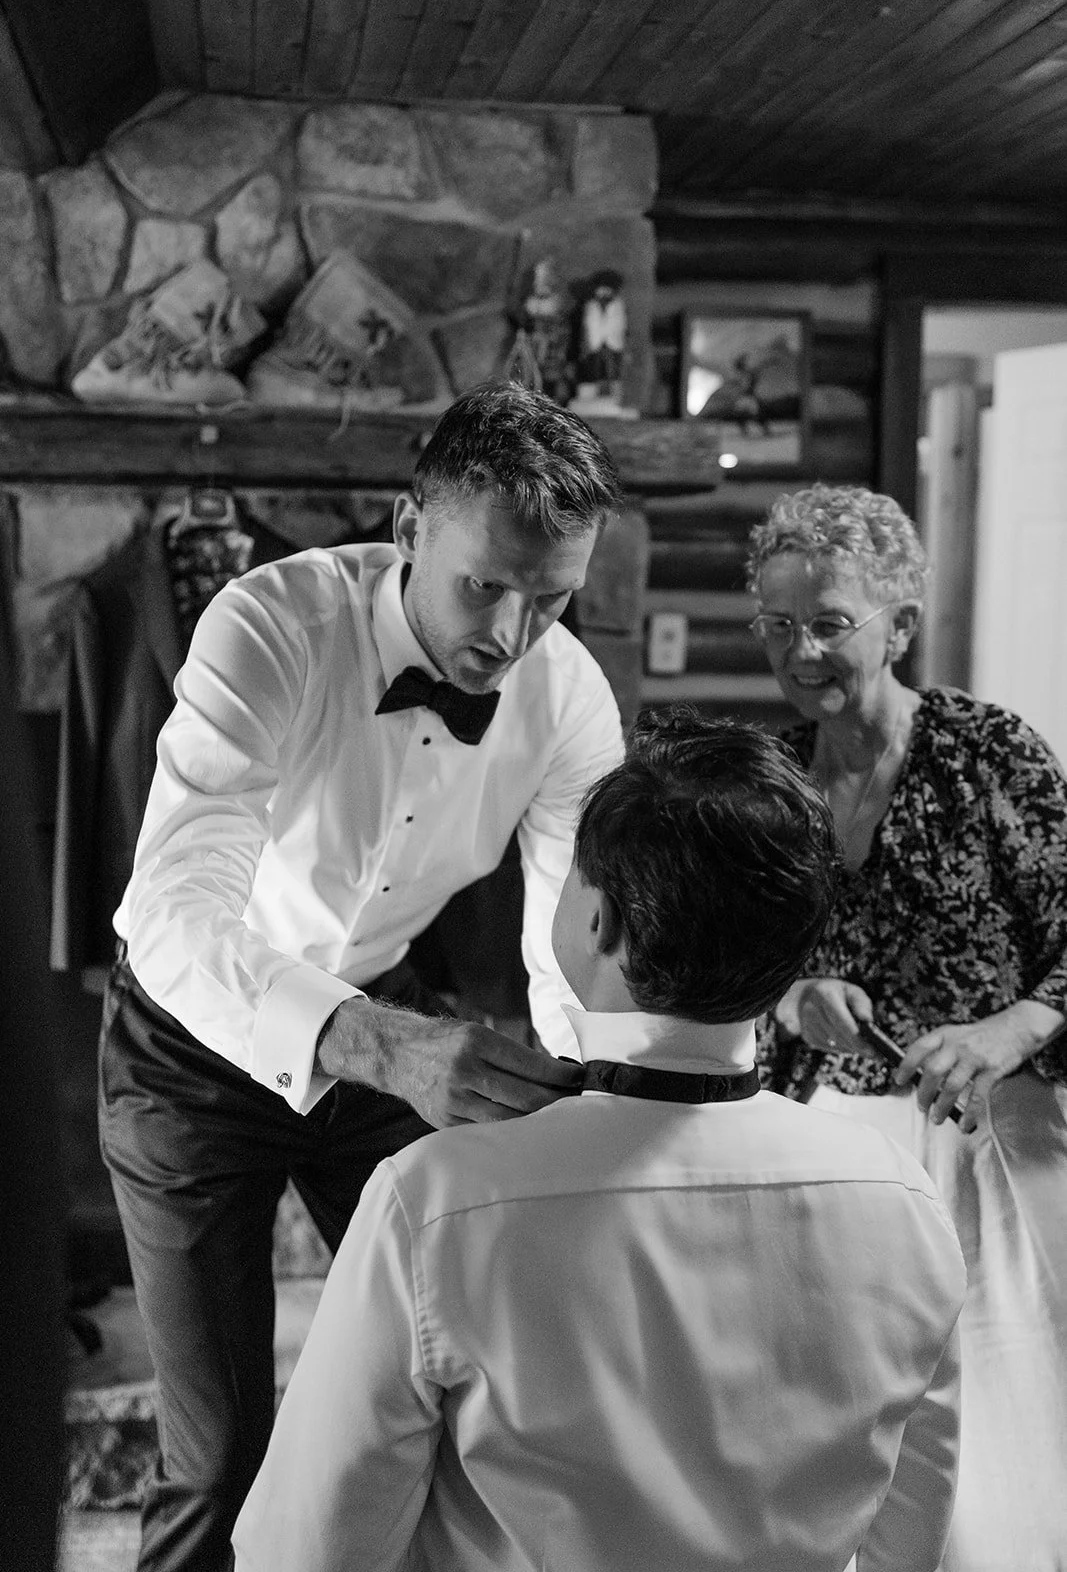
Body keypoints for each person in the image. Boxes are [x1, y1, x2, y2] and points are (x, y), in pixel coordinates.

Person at [233, 709, 967, 1572]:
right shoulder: (903, 1199)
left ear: (599, 924)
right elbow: (910, 1534)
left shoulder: (435, 1199)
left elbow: (312, 1548)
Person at [99, 380, 627, 1572]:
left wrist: (593, 1106)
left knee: (471, 1384)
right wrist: (383, 1044)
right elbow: (173, 912)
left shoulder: (568, 698)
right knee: (221, 1447)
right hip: (190, 1045)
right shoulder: (270, 623)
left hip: (381, 1025)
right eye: (482, 586)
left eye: (550, 600)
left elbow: (569, 945)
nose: (509, 634)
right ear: (406, 531)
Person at [746, 483, 1067, 1572]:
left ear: (898, 626)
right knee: (849, 1453)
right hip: (827, 1155)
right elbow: (733, 965)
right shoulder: (768, 784)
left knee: (1014, 1451)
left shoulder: (988, 754)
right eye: (778, 624)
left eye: (829, 621)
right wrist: (789, 995)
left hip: (992, 1144)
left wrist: (1006, 1028)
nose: (801, 651)